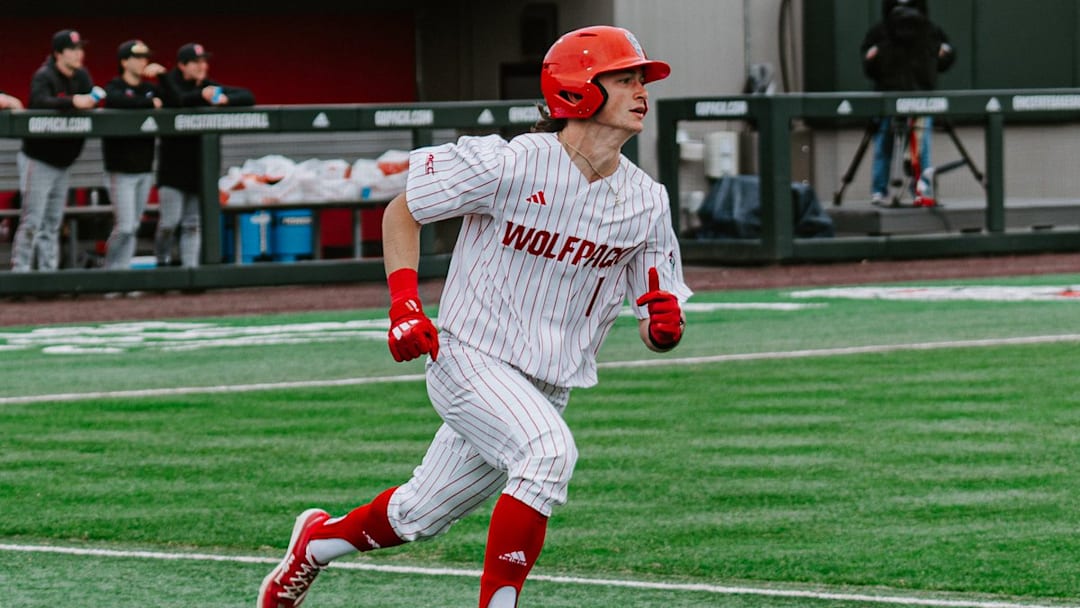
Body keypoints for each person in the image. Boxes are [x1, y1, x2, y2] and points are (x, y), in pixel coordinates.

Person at [258, 25, 691, 608]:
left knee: (419, 514)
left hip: (546, 381)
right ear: (578, 90)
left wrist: (662, 326)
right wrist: (405, 304)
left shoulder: (648, 200)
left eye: (643, 79)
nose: (642, 90)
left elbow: (654, 313)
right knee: (547, 455)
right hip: (469, 355)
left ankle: (313, 547)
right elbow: (402, 211)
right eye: (626, 78)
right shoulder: (509, 163)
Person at [155, 42, 254, 267]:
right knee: (169, 223)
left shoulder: (210, 87)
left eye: (204, 61)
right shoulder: (169, 86)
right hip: (172, 170)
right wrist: (202, 94)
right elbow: (178, 99)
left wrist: (224, 99)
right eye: (196, 62)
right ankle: (162, 261)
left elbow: (248, 96)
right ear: (182, 65)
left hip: (200, 169)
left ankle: (191, 272)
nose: (202, 66)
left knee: (193, 224)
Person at [11, 29, 100, 272]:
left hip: (64, 162)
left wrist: (88, 101)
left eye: (80, 48)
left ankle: (48, 275)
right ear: (58, 53)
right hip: (38, 159)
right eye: (73, 49)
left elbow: (91, 97)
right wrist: (71, 102)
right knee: (32, 221)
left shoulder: (81, 76)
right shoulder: (45, 75)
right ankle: (21, 274)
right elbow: (39, 103)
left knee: (53, 223)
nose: (78, 53)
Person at [861, 0, 954, 206]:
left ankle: (885, 191)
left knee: (898, 145)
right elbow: (946, 58)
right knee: (914, 146)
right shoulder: (929, 30)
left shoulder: (885, 30)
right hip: (909, 96)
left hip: (901, 96)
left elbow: (869, 64)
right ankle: (920, 190)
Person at [101, 39, 166, 271]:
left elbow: (175, 98)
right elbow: (116, 100)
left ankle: (124, 273)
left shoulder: (150, 87)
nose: (142, 62)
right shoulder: (115, 86)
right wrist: (149, 102)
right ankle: (111, 273)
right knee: (125, 226)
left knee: (134, 226)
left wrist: (163, 77)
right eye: (137, 57)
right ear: (124, 61)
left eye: (144, 57)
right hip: (120, 170)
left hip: (144, 168)